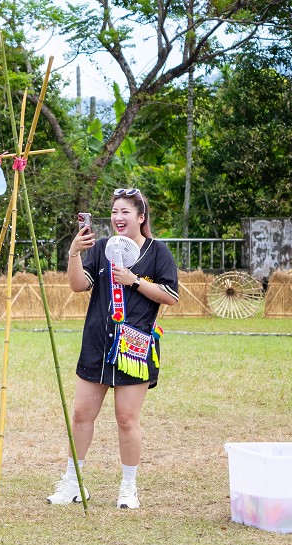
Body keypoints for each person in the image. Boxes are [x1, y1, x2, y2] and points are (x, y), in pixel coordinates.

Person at [47, 188, 179, 509]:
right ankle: (74, 483)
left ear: (141, 217)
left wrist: (133, 280)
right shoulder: (102, 247)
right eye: (115, 212)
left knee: (126, 419)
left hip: (134, 348)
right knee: (80, 415)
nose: (118, 218)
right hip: (96, 344)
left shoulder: (157, 252)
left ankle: (129, 487)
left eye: (126, 212)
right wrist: (74, 253)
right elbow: (78, 285)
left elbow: (171, 296)